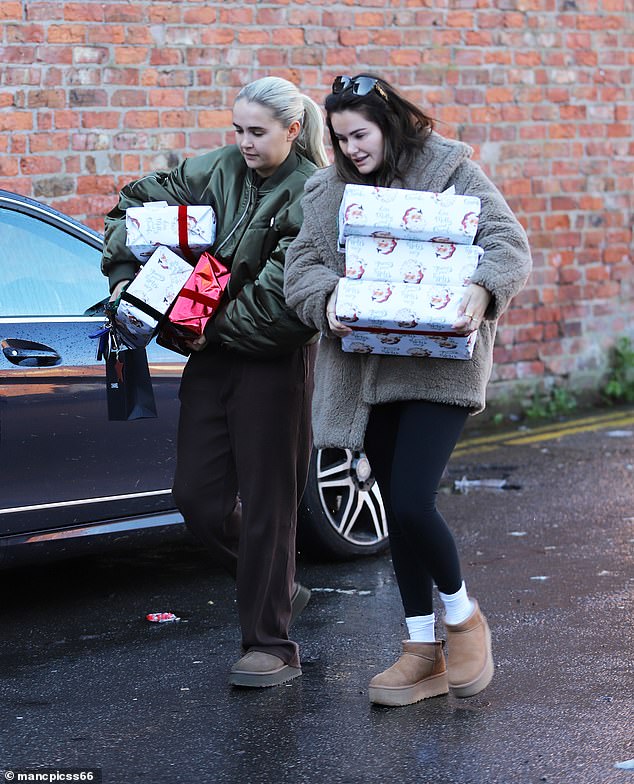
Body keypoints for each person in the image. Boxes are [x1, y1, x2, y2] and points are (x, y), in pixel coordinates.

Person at [284, 74, 532, 707]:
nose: (351, 150)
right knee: (396, 509)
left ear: (389, 124)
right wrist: (326, 299)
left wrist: (480, 291)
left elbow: (508, 244)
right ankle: (421, 650)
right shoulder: (328, 189)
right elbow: (303, 267)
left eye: (360, 135)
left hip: (439, 366)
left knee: (412, 499)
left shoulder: (450, 170)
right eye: (339, 140)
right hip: (368, 371)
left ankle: (462, 617)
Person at [102, 76, 329, 688]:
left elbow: (285, 298)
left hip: (271, 363)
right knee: (196, 499)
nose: (244, 142)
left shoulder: (314, 191)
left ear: (293, 129)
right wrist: (127, 276)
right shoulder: (215, 169)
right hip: (207, 354)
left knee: (268, 504)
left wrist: (211, 325)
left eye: (258, 132)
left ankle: (271, 645)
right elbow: (135, 204)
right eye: (238, 129)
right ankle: (276, 583)